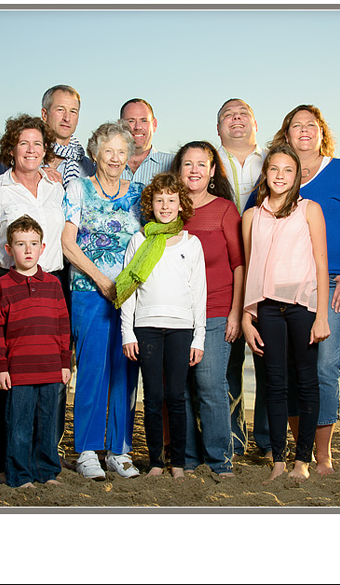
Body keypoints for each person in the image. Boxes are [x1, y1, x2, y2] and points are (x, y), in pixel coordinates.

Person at [262, 105, 340, 474]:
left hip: (331, 282)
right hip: (284, 286)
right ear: (287, 134)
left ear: (322, 132)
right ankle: (299, 450)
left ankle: (321, 454)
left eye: (312, 125)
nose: (305, 131)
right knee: (292, 369)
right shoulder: (280, 173)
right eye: (297, 125)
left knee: (324, 367)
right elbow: (254, 218)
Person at [0, 113, 66, 483]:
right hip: (7, 284)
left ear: (46, 150)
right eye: (23, 143)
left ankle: (43, 462)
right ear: (11, 148)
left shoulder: (55, 187)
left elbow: (61, 240)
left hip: (51, 284)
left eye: (38, 144)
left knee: (48, 381)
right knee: (7, 378)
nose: (31, 150)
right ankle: (1, 463)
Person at [241, 146, 330, 483]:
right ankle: (279, 460)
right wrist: (247, 317)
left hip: (302, 305)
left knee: (307, 382)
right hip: (267, 307)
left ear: (298, 175)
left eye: (288, 170)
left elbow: (321, 262)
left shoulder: (310, 210)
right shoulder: (251, 217)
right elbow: (250, 268)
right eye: (274, 169)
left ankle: (302, 461)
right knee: (275, 384)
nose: (280, 175)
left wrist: (322, 315)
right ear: (265, 174)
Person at [61, 121, 143, 480]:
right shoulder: (79, 189)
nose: (114, 158)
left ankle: (120, 452)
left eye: (121, 152)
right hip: (89, 293)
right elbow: (68, 243)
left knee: (126, 371)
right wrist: (101, 280)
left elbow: (149, 242)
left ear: (128, 157)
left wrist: (127, 286)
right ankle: (87, 451)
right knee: (93, 371)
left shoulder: (138, 193)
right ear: (94, 153)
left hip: (129, 295)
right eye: (107, 151)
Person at [117, 173, 206, 479]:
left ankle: (178, 463)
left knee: (176, 397)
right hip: (147, 326)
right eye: (159, 200)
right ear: (150, 204)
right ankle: (155, 461)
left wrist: (200, 339)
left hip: (182, 329)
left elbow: (199, 293)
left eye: (171, 200)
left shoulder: (192, 244)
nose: (165, 206)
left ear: (181, 204)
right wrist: (127, 332)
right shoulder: (139, 241)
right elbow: (128, 289)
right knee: (153, 397)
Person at [169, 142, 241, 476]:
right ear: (178, 170)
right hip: (175, 312)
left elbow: (240, 265)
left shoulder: (225, 210)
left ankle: (218, 460)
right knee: (179, 389)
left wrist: (236, 312)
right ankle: (188, 457)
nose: (194, 170)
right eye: (187, 164)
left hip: (215, 310)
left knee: (211, 386)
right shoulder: (168, 210)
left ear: (212, 171)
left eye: (202, 164)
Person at [0, 215, 71, 488]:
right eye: (21, 244)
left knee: (47, 425)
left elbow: (62, 327)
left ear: (42, 248)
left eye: (33, 244)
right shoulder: (2, 286)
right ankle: (20, 476)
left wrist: (64, 363)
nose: (27, 250)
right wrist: (0, 367)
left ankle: (46, 472)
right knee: (19, 427)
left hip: (50, 369)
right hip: (18, 372)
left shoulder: (53, 284)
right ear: (9, 249)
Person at [214, 97, 268, 458]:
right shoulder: (208, 159)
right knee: (228, 359)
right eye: (227, 116)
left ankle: (267, 439)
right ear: (218, 128)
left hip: (270, 266)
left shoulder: (276, 158)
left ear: (255, 123)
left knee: (269, 357)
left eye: (243, 113)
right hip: (225, 267)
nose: (236, 120)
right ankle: (232, 438)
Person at [40, 85, 95, 185]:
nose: (67, 118)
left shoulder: (88, 168)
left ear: (77, 119)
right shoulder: (24, 156)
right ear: (44, 114)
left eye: (73, 112)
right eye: (60, 110)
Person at [119, 98, 173, 185]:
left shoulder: (173, 164)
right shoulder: (105, 166)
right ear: (120, 125)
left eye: (144, 120)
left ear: (154, 124)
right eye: (131, 121)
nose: (138, 127)